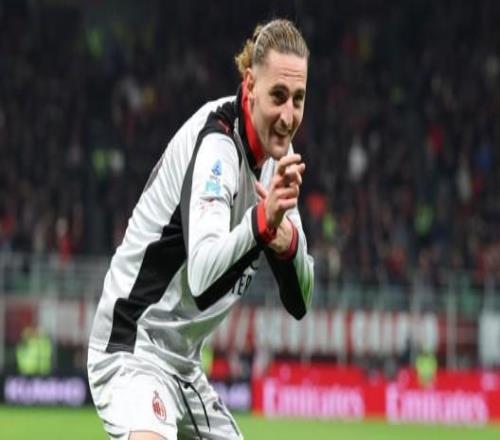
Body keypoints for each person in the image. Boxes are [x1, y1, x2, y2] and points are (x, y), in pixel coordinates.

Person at [87, 18, 314, 440]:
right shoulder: (217, 147)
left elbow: (301, 300)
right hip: (132, 346)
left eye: (298, 99)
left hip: (184, 369)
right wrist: (261, 225)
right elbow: (203, 276)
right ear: (250, 85)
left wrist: (288, 243)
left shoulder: (278, 157)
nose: (288, 116)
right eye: (278, 96)